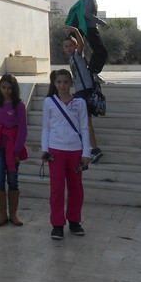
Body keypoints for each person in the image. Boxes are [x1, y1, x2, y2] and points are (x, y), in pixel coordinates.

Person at [42, 69, 91, 240]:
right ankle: (57, 224)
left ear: (71, 83)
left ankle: (74, 221)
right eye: (59, 82)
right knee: (56, 189)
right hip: (56, 150)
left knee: (76, 188)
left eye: (65, 82)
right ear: (54, 84)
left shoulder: (80, 103)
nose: (62, 85)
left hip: (76, 151)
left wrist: (87, 151)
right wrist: (45, 149)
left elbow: (84, 128)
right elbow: (46, 127)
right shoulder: (49, 102)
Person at [0, 73, 28, 227]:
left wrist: (17, 150)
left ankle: (13, 213)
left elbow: (22, 129)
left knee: (12, 178)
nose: (6, 91)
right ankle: (2, 213)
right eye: (3, 87)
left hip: (12, 147)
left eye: (9, 88)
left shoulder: (19, 105)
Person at [63, 26, 103, 162]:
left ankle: (94, 149)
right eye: (66, 46)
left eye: (71, 45)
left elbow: (82, 44)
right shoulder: (71, 60)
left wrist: (75, 31)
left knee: (86, 123)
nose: (68, 48)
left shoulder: (77, 55)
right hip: (80, 92)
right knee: (83, 122)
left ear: (75, 46)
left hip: (86, 92)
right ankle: (89, 148)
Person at [67, 0, 108, 77]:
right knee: (101, 51)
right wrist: (100, 21)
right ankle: (92, 73)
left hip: (87, 27)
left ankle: (91, 72)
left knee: (97, 50)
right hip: (89, 28)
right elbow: (86, 13)